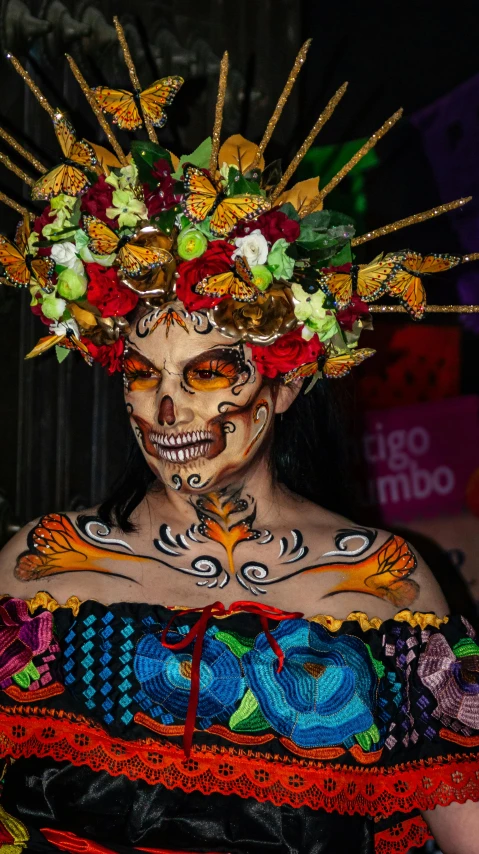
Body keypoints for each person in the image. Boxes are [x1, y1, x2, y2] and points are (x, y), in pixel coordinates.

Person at [0, 22, 478, 854]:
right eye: (143, 373)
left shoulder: (389, 586)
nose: (167, 410)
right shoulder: (37, 569)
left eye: (210, 372)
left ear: (287, 381)